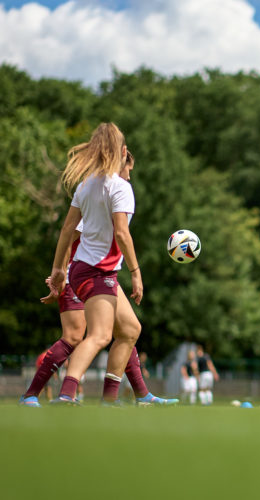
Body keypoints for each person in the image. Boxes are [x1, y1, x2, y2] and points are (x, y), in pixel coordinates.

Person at [20, 148, 175, 407]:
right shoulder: (101, 195)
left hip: (96, 272)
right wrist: (60, 273)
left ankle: (138, 396)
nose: (129, 176)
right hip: (83, 273)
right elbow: (71, 236)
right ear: (120, 164)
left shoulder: (105, 193)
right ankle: (38, 395)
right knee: (76, 335)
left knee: (128, 328)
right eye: (128, 170)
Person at [45, 123, 144, 405]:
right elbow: (122, 233)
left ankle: (108, 402)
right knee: (100, 335)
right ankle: (66, 395)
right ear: (123, 152)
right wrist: (136, 273)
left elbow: (67, 229)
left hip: (84, 269)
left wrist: (58, 268)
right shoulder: (120, 187)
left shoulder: (86, 184)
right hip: (97, 272)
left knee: (129, 330)